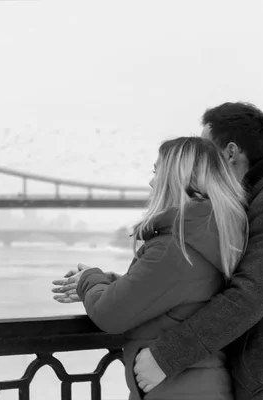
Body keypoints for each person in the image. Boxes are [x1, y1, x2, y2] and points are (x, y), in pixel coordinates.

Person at [128, 102, 263, 400]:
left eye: (206, 151)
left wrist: (165, 356)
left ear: (230, 153)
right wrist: (120, 285)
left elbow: (246, 298)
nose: (198, 161)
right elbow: (198, 282)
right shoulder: (245, 207)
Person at [53, 136, 249, 399]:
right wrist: (109, 283)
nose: (151, 181)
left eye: (157, 171)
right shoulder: (209, 235)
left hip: (177, 390)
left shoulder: (175, 247)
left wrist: (88, 279)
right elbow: (174, 294)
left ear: (175, 178)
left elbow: (110, 314)